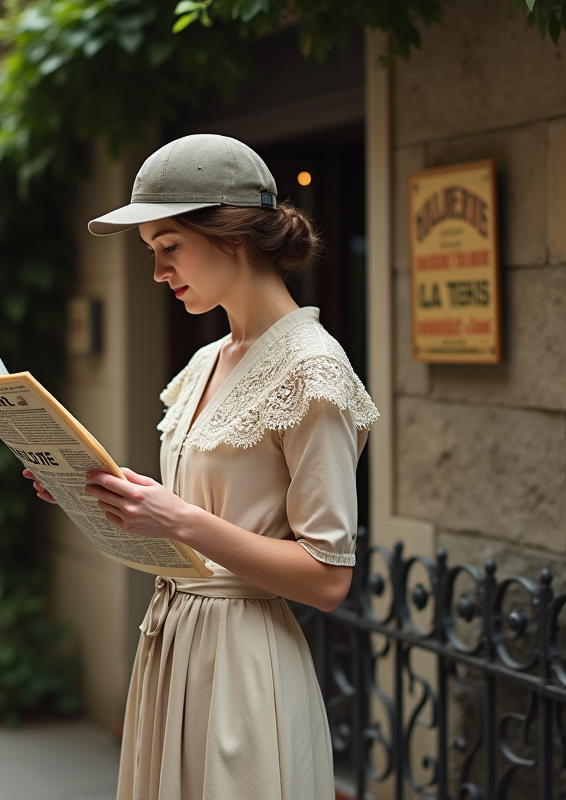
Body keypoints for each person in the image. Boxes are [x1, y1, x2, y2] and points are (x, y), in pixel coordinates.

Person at [23, 134, 379, 799]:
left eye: (169, 246)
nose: (158, 272)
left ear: (234, 235)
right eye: (152, 252)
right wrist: (95, 487)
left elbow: (329, 579)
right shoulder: (207, 360)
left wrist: (181, 519)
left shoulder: (314, 370)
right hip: (172, 646)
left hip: (246, 666)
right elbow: (197, 514)